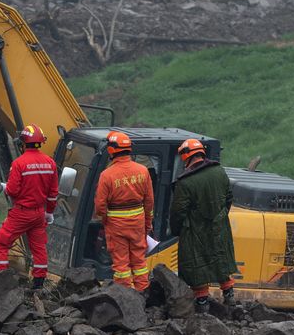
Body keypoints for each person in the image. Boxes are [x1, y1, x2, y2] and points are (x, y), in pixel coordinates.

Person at [170, 138, 239, 311]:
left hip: (195, 230)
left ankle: (202, 303)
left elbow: (178, 211)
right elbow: (228, 197)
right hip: (219, 226)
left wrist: (178, 230)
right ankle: (229, 295)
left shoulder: (185, 182)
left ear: (186, 157)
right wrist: (221, 216)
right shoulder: (219, 171)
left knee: (196, 264)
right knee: (220, 257)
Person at [0, 124, 59, 288]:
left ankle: (1, 281)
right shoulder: (50, 163)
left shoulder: (19, 163)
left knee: (1, 244)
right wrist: (49, 212)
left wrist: (5, 188)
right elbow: (53, 192)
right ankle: (38, 284)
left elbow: (13, 191)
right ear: (40, 142)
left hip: (21, 213)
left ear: (23, 143)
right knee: (39, 248)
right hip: (39, 214)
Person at [95, 131, 155, 292]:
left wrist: (106, 220)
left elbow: (100, 206)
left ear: (111, 150)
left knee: (121, 264)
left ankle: (125, 295)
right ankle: (143, 291)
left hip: (116, 225)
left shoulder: (107, 175)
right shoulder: (143, 170)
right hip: (138, 222)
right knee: (139, 261)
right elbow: (149, 201)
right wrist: (147, 224)